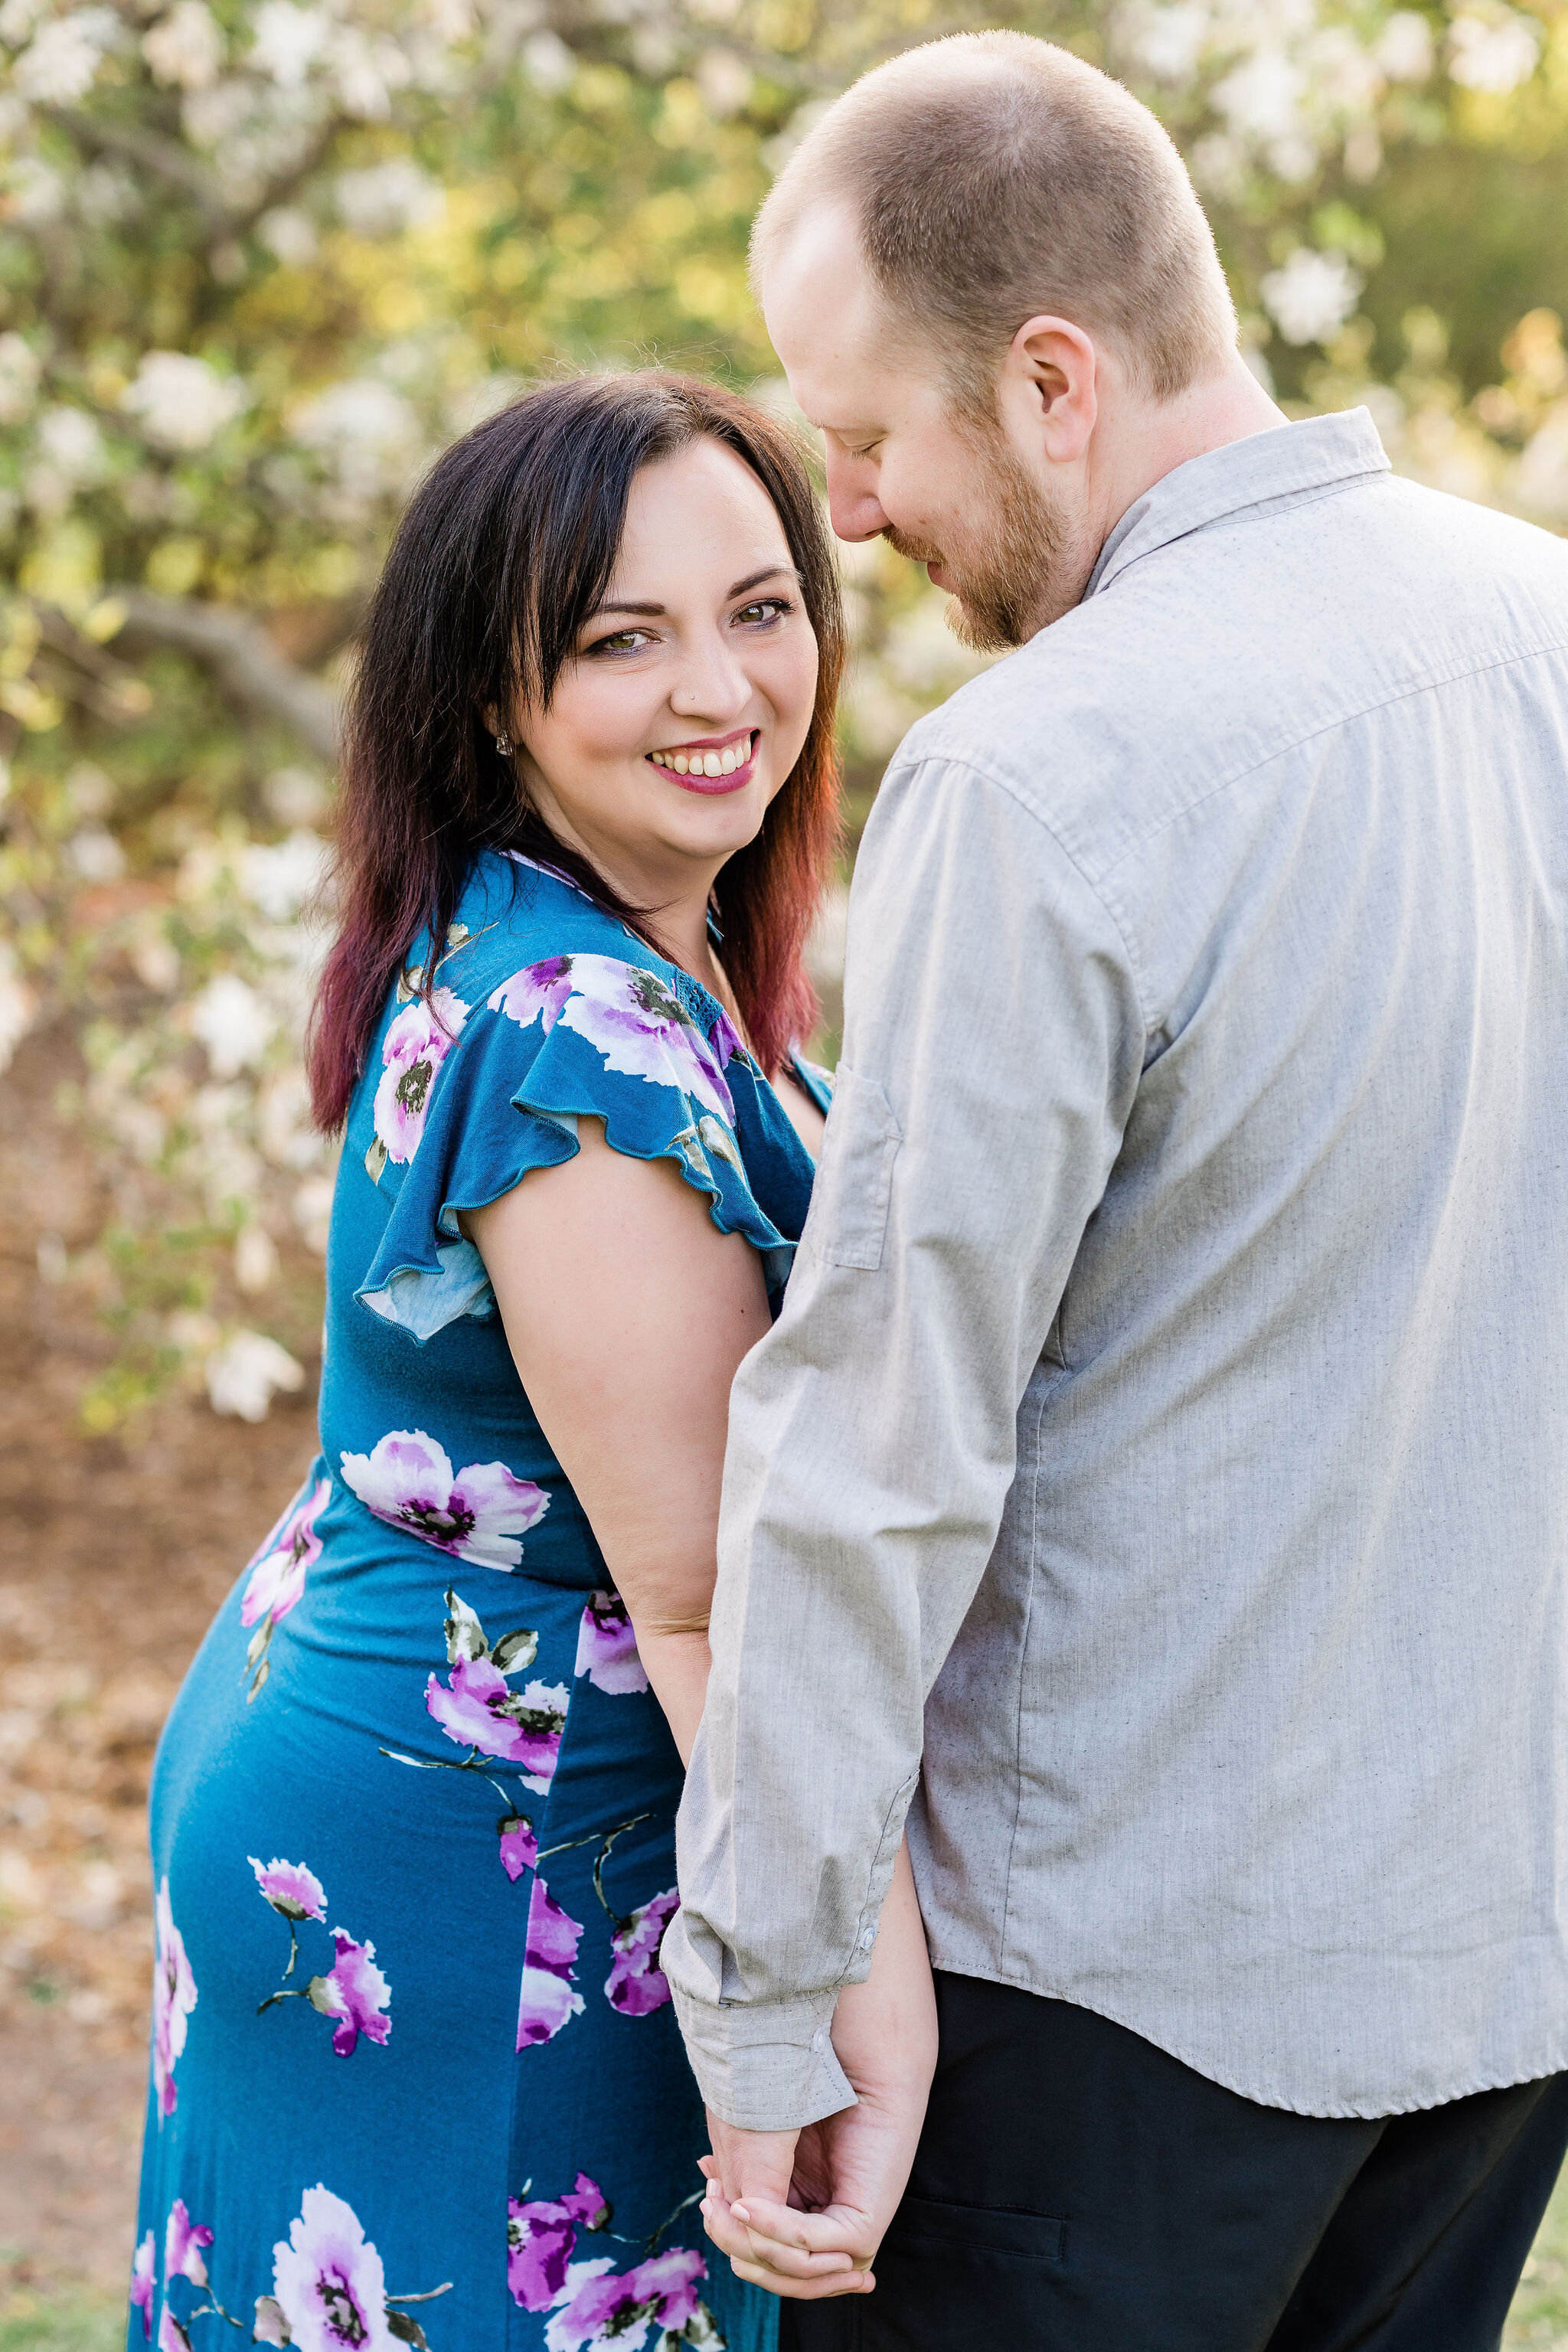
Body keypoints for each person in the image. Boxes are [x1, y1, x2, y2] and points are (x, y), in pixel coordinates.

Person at [668, 32, 1568, 2350]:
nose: (847, 514)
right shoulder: (1549, 636)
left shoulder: (1043, 773)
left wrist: (770, 2004)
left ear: (1053, 380)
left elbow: (879, 1445)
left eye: (866, 438)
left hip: (1110, 2009)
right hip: (1500, 1973)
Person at [126, 371, 936, 2352]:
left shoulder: (584, 943)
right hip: (473, 1861)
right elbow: (709, 1590)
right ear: (489, 696)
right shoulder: (574, 1041)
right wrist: (849, 1998)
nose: (718, 686)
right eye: (619, 639)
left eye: (760, 609)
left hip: (409, 1758)